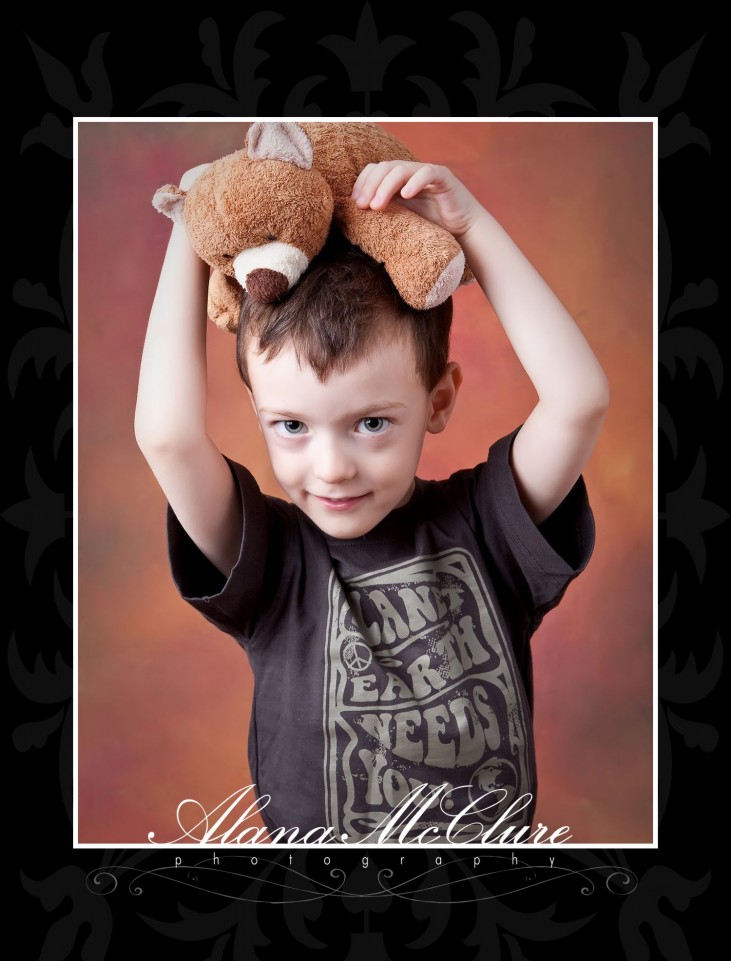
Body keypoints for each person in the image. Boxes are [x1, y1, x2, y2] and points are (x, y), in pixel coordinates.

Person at [135, 153, 609, 845]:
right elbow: (168, 437)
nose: (331, 468)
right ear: (259, 411)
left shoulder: (489, 529)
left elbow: (578, 399)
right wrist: (193, 221)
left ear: (437, 401)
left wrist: (470, 226)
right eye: (291, 426)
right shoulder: (269, 557)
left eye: (371, 423)